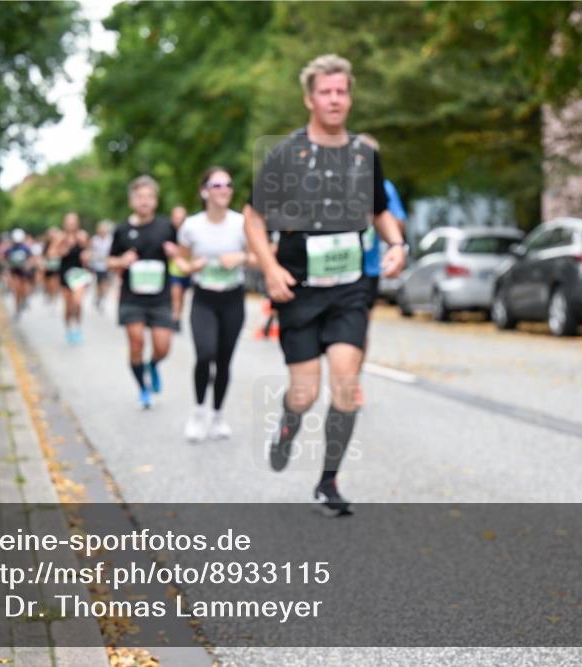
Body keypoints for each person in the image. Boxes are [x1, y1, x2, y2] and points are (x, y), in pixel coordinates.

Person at [244, 54, 406, 516]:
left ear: (349, 98)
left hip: (349, 288)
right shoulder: (286, 154)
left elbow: (379, 211)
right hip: (297, 288)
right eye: (325, 92)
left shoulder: (364, 155)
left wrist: (397, 244)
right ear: (309, 99)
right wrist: (270, 268)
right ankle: (288, 425)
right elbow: (253, 217)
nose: (334, 99)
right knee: (304, 394)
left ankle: (328, 482)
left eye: (341, 92)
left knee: (346, 385)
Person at [174, 167, 253, 441]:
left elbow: (260, 256)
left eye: (228, 185)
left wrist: (241, 258)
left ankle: (218, 415)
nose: (224, 190)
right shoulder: (191, 225)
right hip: (204, 298)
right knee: (205, 353)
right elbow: (180, 259)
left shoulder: (241, 223)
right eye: (217, 185)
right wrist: (189, 266)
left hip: (232, 297)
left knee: (224, 360)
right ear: (204, 191)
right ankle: (198, 413)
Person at [108, 176, 179, 409]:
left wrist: (175, 252)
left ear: (156, 201)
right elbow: (109, 261)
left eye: (149, 197)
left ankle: (153, 365)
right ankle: (143, 388)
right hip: (132, 297)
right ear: (131, 201)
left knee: (162, 347)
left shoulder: (166, 227)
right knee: (136, 341)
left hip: (160, 297)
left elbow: (183, 253)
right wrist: (122, 260)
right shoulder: (122, 229)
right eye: (139, 197)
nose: (144, 201)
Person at [355, 133, 408, 408]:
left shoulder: (384, 188)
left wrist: (376, 216)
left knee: (360, 328)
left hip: (369, 268)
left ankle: (352, 380)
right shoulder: (336, 183)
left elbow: (398, 225)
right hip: (335, 267)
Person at [57, 213, 92, 343]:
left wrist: (87, 255)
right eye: (69, 221)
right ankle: (68, 328)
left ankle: (77, 327)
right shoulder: (60, 237)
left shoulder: (83, 236)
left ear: (77, 223)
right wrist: (63, 250)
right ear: (64, 223)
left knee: (77, 302)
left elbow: (89, 251)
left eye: (73, 221)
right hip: (65, 273)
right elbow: (52, 252)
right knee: (68, 306)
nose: (71, 224)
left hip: (79, 274)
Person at [168, 205, 191, 330]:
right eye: (176, 218)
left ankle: (178, 316)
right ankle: (175, 318)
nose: (178, 220)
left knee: (181, 296)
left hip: (187, 269)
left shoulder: (189, 232)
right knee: (175, 295)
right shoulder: (167, 232)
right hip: (173, 270)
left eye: (181, 218)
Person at [5, 228, 33, 317]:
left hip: (24, 272)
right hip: (15, 271)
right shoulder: (10, 249)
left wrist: (27, 266)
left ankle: (24, 300)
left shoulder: (25, 248)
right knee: (16, 290)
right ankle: (17, 309)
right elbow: (5, 259)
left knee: (24, 288)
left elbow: (31, 259)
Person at [90, 220, 115, 311]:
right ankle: (98, 296)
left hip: (107, 265)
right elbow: (90, 252)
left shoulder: (110, 240)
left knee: (105, 283)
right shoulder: (94, 240)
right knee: (99, 284)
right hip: (97, 265)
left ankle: (102, 298)